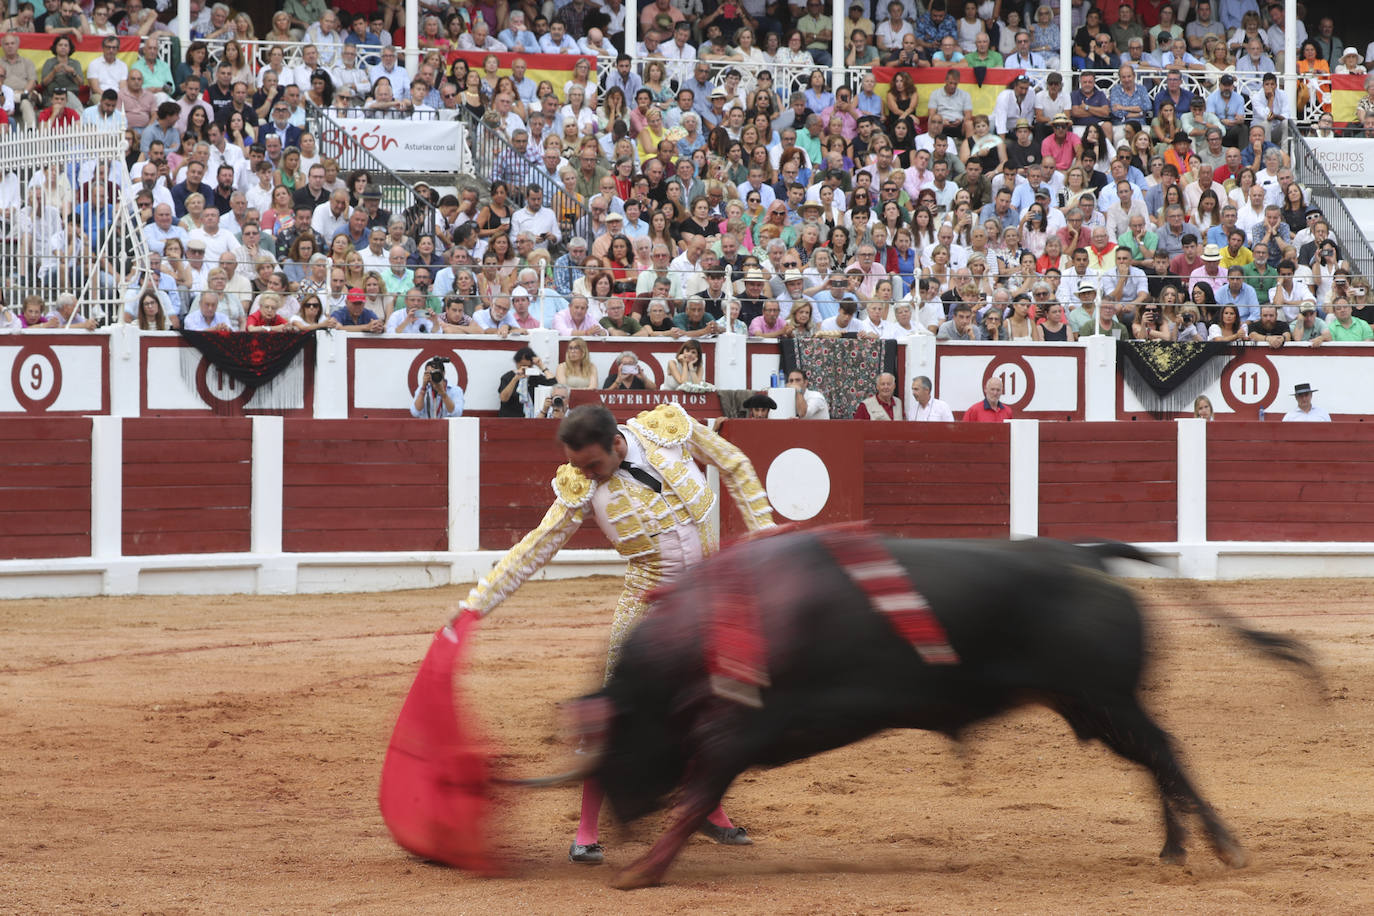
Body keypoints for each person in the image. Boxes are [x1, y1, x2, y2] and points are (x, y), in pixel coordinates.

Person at [453, 403, 774, 864]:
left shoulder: (667, 430)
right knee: (612, 712)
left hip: (708, 598)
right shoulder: (582, 483)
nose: (584, 475)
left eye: (592, 464)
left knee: (711, 707)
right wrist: (475, 605)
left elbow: (736, 464)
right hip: (648, 604)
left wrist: (764, 532)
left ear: (617, 443)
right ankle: (587, 829)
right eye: (578, 466)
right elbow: (534, 549)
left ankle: (710, 809)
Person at [498, 346, 556, 417]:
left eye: (529, 366)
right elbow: (504, 398)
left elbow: (553, 384)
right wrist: (515, 379)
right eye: (522, 366)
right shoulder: (507, 377)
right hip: (511, 418)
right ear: (517, 363)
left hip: (532, 418)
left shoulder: (535, 376)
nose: (526, 368)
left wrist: (541, 366)